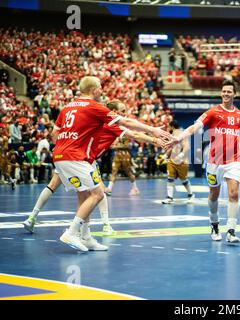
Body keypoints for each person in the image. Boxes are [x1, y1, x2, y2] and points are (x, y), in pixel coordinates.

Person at [51, 76, 173, 252]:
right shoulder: (96, 108)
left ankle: (86, 237)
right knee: (98, 193)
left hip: (62, 155)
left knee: (84, 196)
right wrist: (155, 132)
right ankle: (72, 232)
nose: (102, 91)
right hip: (77, 157)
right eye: (100, 87)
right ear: (93, 90)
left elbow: (55, 133)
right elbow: (131, 128)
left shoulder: (68, 107)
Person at [23, 100, 167, 236]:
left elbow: (56, 132)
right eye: (123, 111)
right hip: (83, 158)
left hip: (67, 154)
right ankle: (98, 227)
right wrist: (155, 139)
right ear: (114, 111)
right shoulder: (111, 123)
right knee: (98, 192)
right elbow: (134, 133)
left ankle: (32, 218)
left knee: (54, 186)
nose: (125, 113)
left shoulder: (96, 119)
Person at [167, 80, 240, 243]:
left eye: (229, 91)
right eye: (224, 91)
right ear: (221, 93)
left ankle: (231, 231)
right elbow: (195, 127)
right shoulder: (212, 112)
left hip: (233, 161)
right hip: (214, 162)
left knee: (234, 194)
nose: (226, 94)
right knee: (214, 195)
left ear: (234, 94)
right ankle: (214, 225)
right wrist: (178, 139)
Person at [162, 121, 195, 204]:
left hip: (182, 161)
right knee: (170, 178)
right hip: (172, 160)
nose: (168, 128)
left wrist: (180, 156)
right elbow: (171, 147)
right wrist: (165, 156)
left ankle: (191, 195)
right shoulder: (171, 135)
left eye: (169, 127)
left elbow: (187, 147)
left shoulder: (183, 134)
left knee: (184, 180)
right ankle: (170, 197)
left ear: (172, 127)